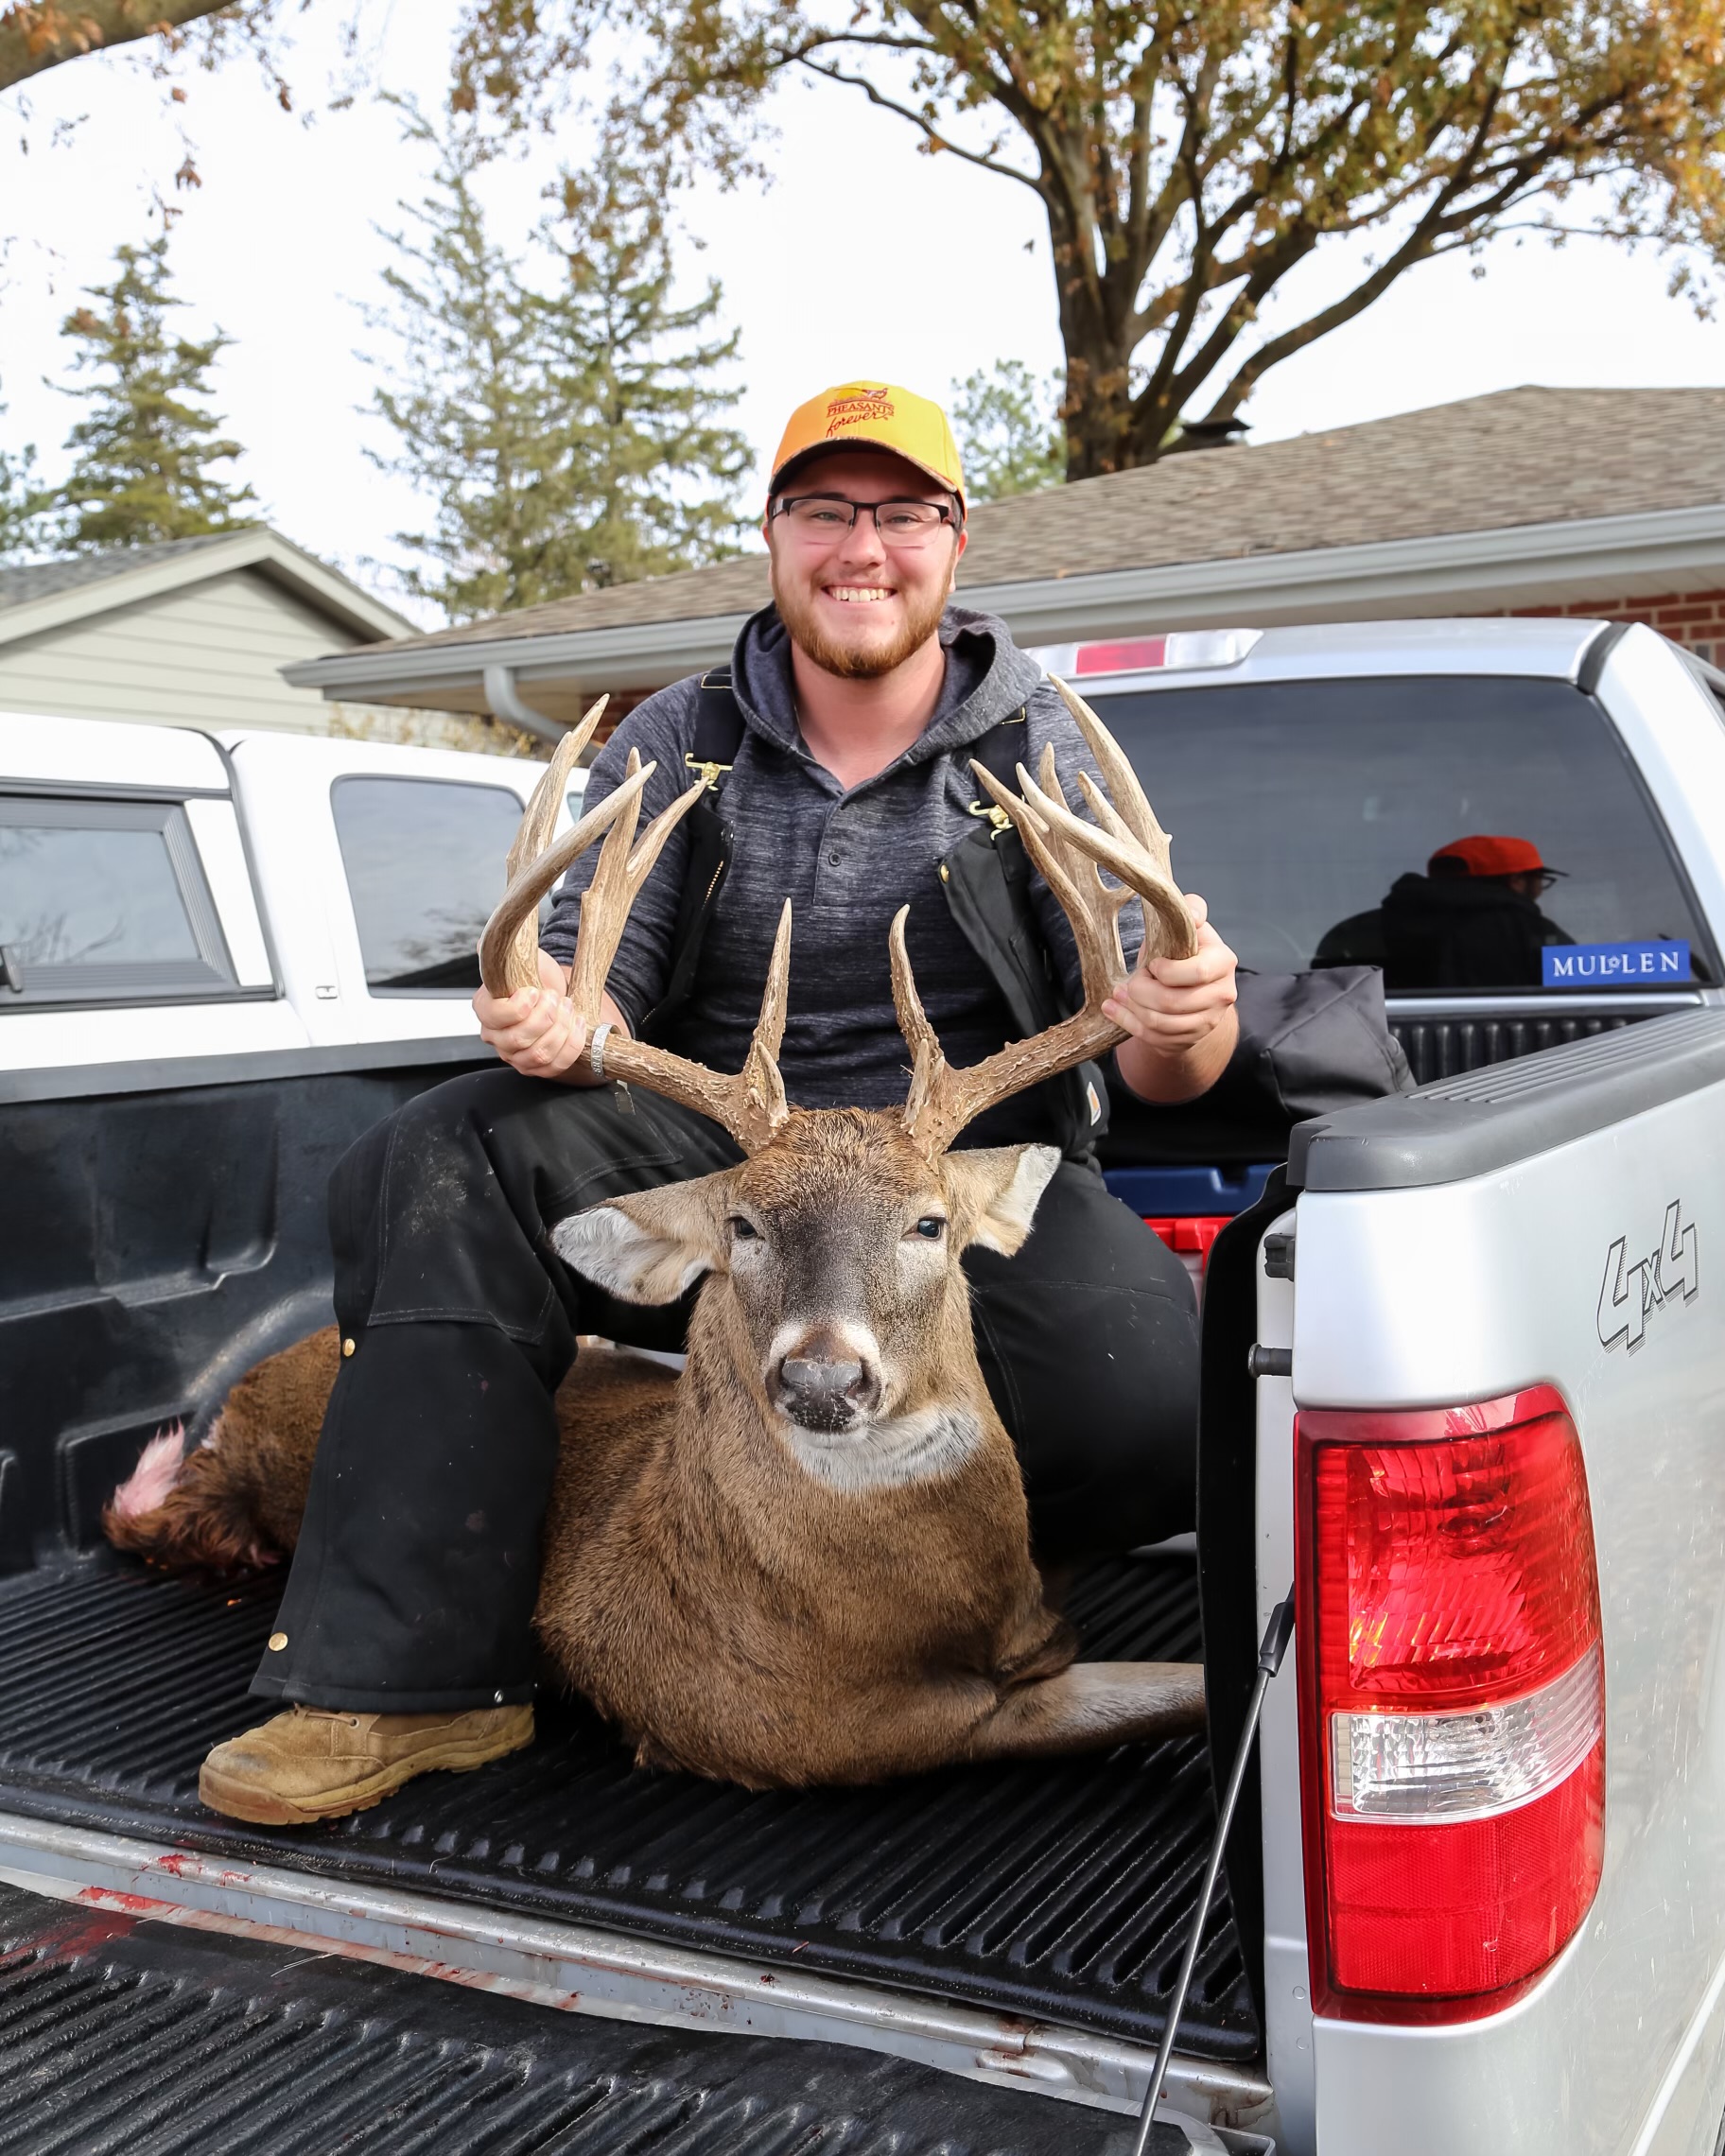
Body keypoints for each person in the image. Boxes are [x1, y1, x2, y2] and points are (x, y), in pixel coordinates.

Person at [197, 379, 1240, 1825]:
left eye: (900, 515)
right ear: (773, 535)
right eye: (825, 512)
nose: (861, 549)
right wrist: (558, 1021)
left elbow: (1153, 1058)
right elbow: (589, 991)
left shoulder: (1038, 750)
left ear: (953, 543)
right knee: (433, 1154)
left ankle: (927, 1594)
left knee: (1148, 1406)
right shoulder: (680, 739)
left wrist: (1192, 1018)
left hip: (954, 1158)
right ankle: (412, 1680)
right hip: (731, 1146)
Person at [1314, 834, 1573, 989]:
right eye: (1540, 879)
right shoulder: (1534, 932)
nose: (1541, 888)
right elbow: (1589, 982)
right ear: (1517, 880)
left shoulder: (1354, 932)